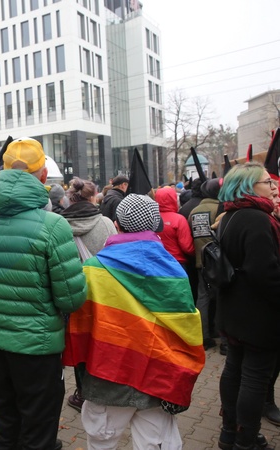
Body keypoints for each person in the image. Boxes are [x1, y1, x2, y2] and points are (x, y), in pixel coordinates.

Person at [0, 137, 87, 450]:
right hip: (38, 347)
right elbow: (71, 298)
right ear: (43, 175)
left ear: (4, 171)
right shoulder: (53, 226)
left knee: (4, 425)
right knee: (38, 432)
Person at [64, 194, 205, 449]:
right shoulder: (173, 270)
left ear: (117, 224)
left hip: (108, 374)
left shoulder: (93, 269)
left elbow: (81, 322)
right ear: (156, 226)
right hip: (157, 375)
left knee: (101, 441)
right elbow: (185, 325)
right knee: (156, 443)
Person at [216, 162, 280, 450]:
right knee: (254, 377)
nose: (273, 186)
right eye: (267, 182)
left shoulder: (230, 215)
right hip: (257, 314)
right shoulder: (256, 219)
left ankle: (230, 433)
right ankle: (246, 440)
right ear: (248, 186)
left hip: (234, 309)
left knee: (234, 370)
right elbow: (265, 274)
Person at [59, 177, 116, 412]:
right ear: (93, 197)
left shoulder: (59, 226)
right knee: (101, 341)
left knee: (78, 343)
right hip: (103, 294)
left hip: (73, 296)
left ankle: (83, 393)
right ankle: (104, 388)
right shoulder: (106, 223)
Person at [188, 178, 226, 353]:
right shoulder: (220, 209)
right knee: (222, 298)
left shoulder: (194, 211)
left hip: (201, 260)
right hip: (219, 261)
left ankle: (203, 336)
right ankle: (224, 340)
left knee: (202, 298)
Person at [155, 186, 195, 271]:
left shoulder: (152, 218)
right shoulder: (179, 219)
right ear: (173, 199)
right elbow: (187, 247)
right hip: (177, 262)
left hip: (157, 262)